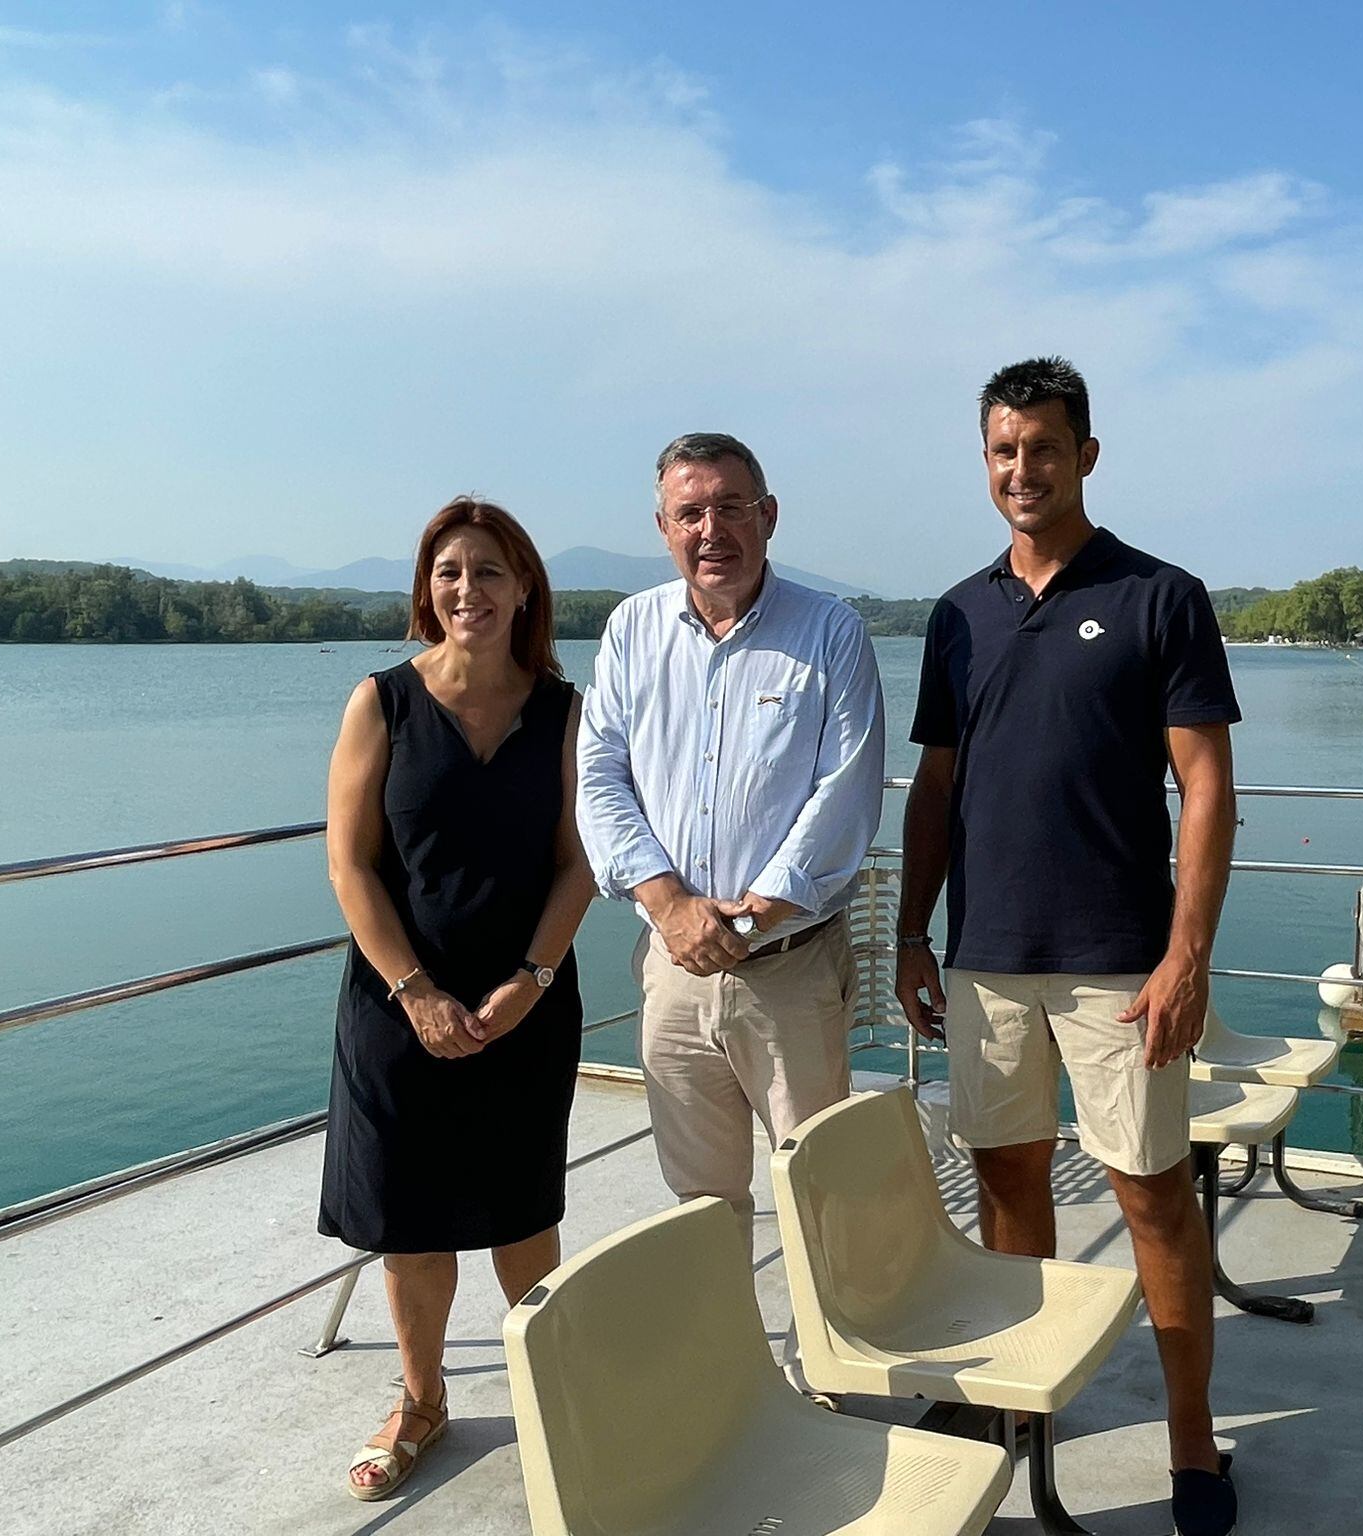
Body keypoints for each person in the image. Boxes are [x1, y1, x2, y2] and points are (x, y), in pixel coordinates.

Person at [894, 358, 1242, 1536]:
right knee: (1007, 1185)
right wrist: (907, 930)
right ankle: (1020, 1408)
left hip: (1117, 965)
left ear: (1085, 455)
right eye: (1001, 451)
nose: (1020, 471)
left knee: (1151, 1198)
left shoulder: (1159, 597)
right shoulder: (956, 614)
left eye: (1042, 448)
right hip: (986, 955)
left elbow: (1203, 786)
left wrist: (1185, 955)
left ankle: (1190, 1435)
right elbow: (935, 788)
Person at [321, 496, 594, 1500]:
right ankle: (421, 1400)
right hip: (397, 1004)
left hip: (522, 1002)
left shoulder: (566, 713)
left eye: (487, 571)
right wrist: (414, 991)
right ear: (425, 592)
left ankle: (546, 1387)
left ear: (523, 586)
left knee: (523, 1213)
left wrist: (532, 978)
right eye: (448, 573)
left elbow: (578, 864)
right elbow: (350, 867)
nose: (467, 590)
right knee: (413, 1221)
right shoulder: (380, 701)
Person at [577, 432, 884, 1245]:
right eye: (691, 512)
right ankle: (725, 1364)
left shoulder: (831, 633)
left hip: (790, 969)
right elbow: (599, 776)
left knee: (822, 1190)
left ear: (768, 515)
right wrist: (670, 904)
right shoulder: (630, 631)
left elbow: (845, 793)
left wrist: (747, 919)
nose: (713, 529)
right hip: (674, 974)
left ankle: (833, 1367)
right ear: (664, 527)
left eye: (730, 507)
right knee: (701, 1205)